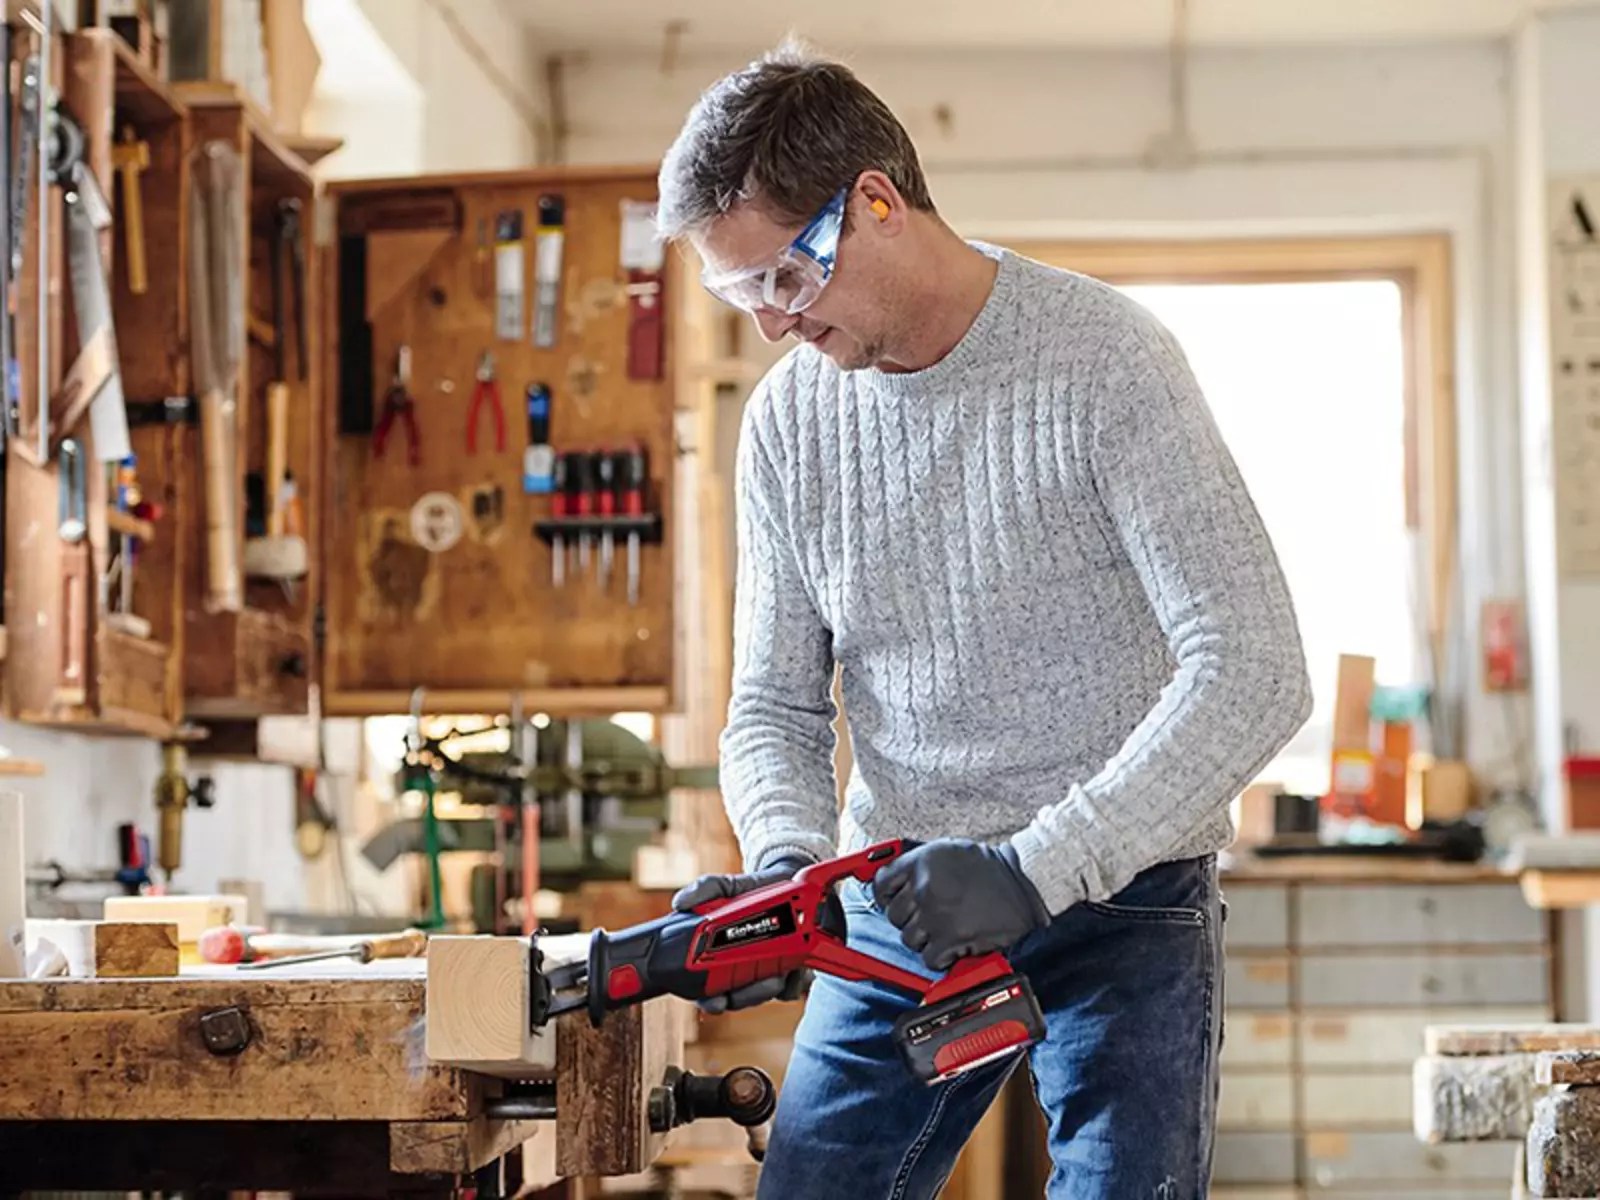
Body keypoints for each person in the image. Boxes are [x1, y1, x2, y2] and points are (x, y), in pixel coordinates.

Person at [655, 39, 1313, 1200]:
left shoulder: (1107, 363)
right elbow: (771, 707)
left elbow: (1254, 667)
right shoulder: (788, 426)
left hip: (1126, 896)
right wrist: (785, 875)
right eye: (736, 292)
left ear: (876, 203)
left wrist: (1033, 867)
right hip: (897, 902)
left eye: (784, 279)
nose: (769, 325)